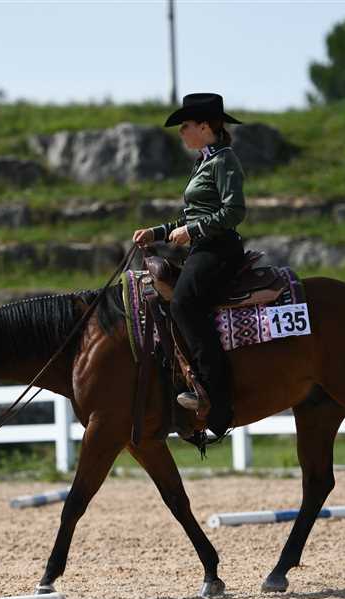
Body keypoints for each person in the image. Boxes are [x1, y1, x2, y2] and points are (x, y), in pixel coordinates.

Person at [132, 92, 247, 441]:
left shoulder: (224, 160)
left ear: (205, 126)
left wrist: (192, 231)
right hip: (202, 247)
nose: (181, 131)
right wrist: (157, 232)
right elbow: (190, 216)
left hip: (219, 249)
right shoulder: (205, 161)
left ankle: (212, 392)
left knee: (183, 302)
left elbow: (234, 211)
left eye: (185, 125)